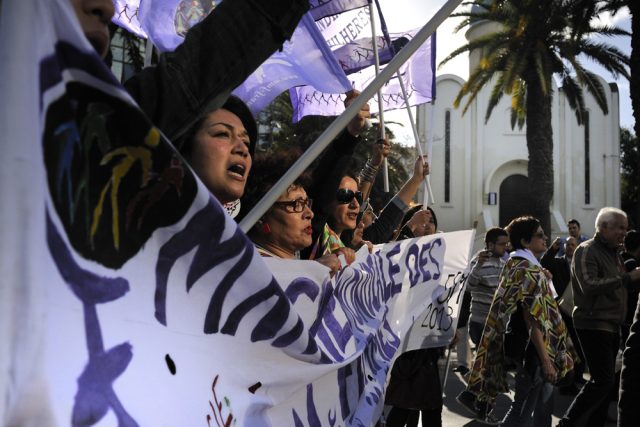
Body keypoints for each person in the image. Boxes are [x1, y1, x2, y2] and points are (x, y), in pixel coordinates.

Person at [458, 216, 576, 426]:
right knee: (523, 408)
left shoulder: (524, 266)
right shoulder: (525, 269)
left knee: (541, 405)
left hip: (536, 349)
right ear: (525, 241)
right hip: (533, 351)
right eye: (539, 235)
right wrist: (546, 360)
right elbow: (531, 319)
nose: (545, 238)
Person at [558, 208, 640, 427]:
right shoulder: (586, 250)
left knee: (606, 383)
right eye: (620, 228)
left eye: (625, 227)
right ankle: (566, 423)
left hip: (611, 325)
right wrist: (626, 278)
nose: (624, 232)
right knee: (603, 381)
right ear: (604, 227)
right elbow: (589, 285)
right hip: (593, 323)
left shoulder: (615, 254)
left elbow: (620, 287)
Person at [384, 207, 445, 427]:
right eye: (422, 221)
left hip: (429, 343)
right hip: (405, 342)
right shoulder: (398, 251)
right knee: (410, 405)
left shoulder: (441, 256)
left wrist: (449, 326)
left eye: (432, 221)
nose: (428, 226)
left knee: (417, 405)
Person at [541, 236, 586, 393]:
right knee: (567, 346)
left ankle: (578, 375)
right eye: (568, 245)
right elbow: (545, 262)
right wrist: (552, 249)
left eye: (573, 245)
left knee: (580, 345)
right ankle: (568, 383)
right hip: (561, 310)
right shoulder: (559, 262)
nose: (570, 247)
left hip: (578, 310)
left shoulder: (582, 263)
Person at [466, 227, 509, 346]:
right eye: (502, 244)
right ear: (490, 244)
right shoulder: (477, 262)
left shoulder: (503, 264)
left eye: (507, 243)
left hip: (498, 324)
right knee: (484, 362)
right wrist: (479, 265)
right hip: (480, 323)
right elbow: (468, 287)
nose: (505, 247)